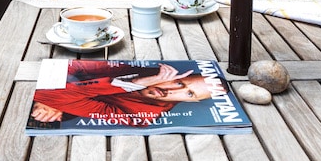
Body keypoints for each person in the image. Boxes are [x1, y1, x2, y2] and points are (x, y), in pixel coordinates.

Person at [30, 61, 216, 127]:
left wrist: (137, 84)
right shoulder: (135, 66)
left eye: (189, 94)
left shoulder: (144, 116)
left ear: (192, 102)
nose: (172, 91)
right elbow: (73, 64)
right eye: (179, 82)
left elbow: (48, 96)